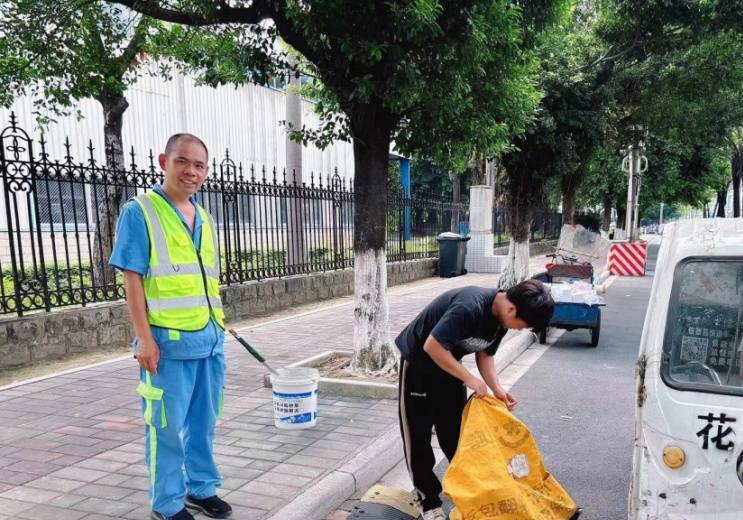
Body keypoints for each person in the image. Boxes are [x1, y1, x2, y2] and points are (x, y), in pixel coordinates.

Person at [110, 134, 232, 520]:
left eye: (199, 165)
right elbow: (132, 279)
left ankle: (201, 489)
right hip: (167, 346)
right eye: (183, 162)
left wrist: (219, 327)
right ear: (164, 161)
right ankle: (167, 504)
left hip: (209, 341)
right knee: (164, 429)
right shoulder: (140, 211)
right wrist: (144, 339)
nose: (191, 171)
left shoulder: (205, 217)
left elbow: (202, 280)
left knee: (203, 424)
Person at [395, 280, 554, 520]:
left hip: (448, 368)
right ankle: (428, 503)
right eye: (522, 325)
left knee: (457, 438)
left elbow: (485, 354)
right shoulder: (470, 307)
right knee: (418, 437)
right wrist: (470, 379)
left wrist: (497, 389)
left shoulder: (500, 320)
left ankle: (469, 495)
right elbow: (433, 346)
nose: (519, 329)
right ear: (512, 310)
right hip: (419, 365)